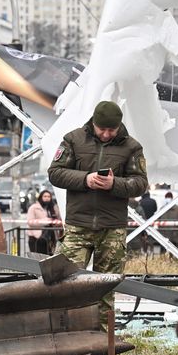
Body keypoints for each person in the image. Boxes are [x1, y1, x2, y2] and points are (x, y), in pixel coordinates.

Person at [48, 100, 149, 326]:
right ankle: (69, 341)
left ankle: (104, 346)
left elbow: (141, 183)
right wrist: (85, 179)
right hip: (78, 226)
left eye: (111, 130)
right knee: (67, 286)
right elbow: (55, 173)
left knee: (106, 290)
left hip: (112, 229)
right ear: (93, 123)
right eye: (101, 129)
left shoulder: (132, 147)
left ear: (119, 126)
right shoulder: (73, 140)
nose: (105, 134)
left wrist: (114, 184)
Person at [26, 189, 62, 255]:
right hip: (36, 237)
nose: (47, 198)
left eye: (49, 197)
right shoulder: (33, 208)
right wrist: (46, 221)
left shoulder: (53, 208)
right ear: (41, 197)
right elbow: (30, 222)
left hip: (51, 238)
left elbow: (58, 221)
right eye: (45, 196)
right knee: (36, 257)